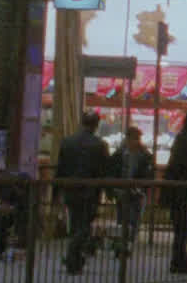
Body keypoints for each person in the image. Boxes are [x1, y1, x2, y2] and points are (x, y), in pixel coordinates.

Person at [57, 112, 110, 273]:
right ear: (96, 125)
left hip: (71, 189)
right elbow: (103, 170)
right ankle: (72, 256)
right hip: (90, 191)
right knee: (84, 226)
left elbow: (61, 168)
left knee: (75, 223)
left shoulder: (67, 142)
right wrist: (107, 190)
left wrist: (57, 190)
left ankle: (75, 260)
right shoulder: (99, 145)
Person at [161, 110, 187, 275]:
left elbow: (173, 167)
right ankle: (180, 261)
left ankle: (178, 260)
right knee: (184, 230)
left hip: (178, 192)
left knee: (180, 230)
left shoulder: (181, 139)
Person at [114, 126, 154, 257]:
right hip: (123, 192)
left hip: (136, 193)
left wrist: (141, 188)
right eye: (132, 138)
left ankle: (126, 246)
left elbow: (149, 174)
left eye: (136, 138)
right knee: (123, 220)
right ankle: (123, 246)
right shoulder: (120, 154)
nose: (134, 141)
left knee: (133, 220)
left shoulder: (144, 155)